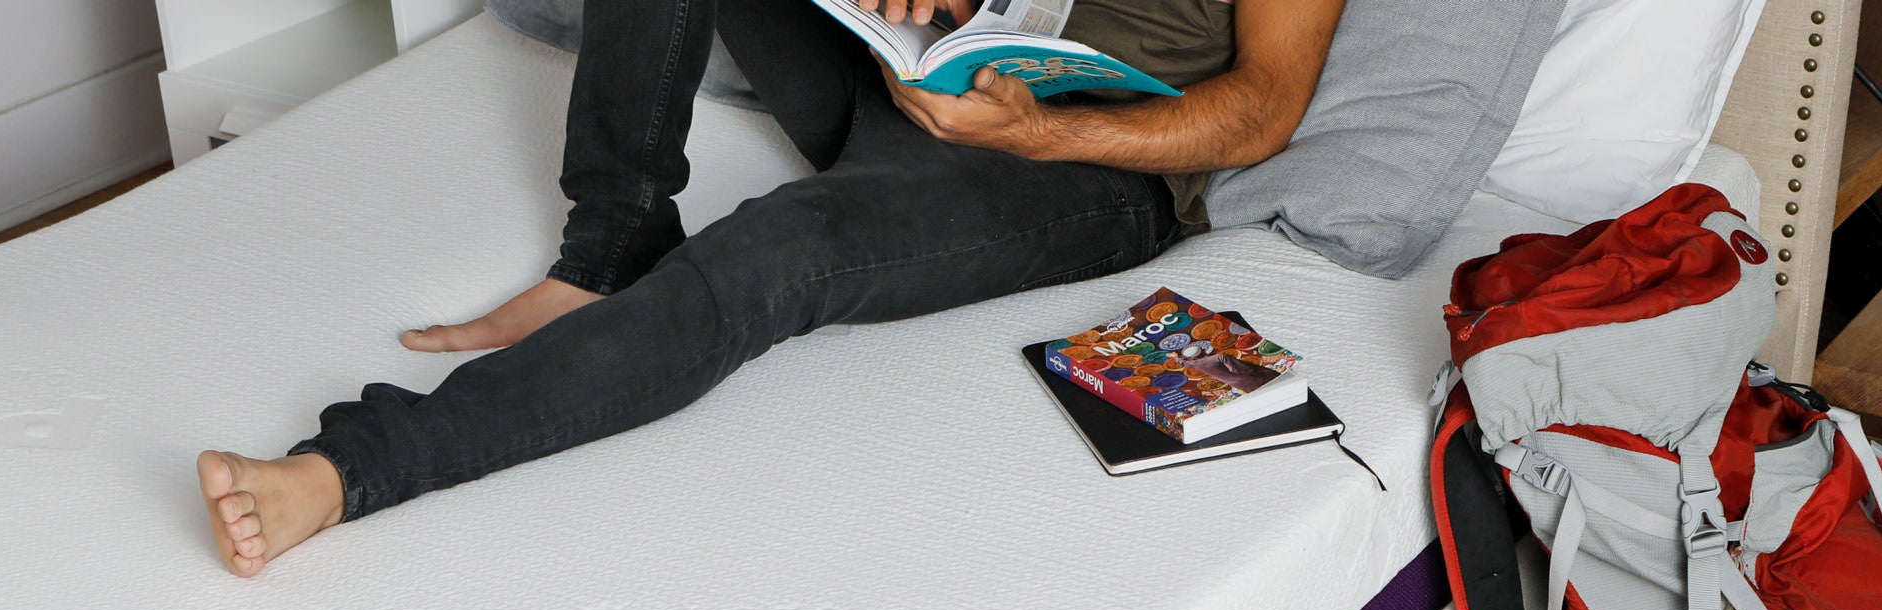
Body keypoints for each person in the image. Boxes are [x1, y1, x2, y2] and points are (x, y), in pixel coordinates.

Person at [195, 0, 1344, 575]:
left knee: (782, 253)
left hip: (1081, 172)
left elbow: (1262, 111)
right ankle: (607, 251)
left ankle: (352, 469)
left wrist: (1044, 135)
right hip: (929, 84)